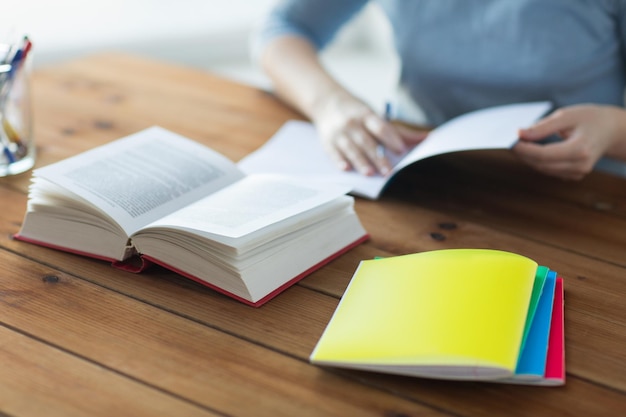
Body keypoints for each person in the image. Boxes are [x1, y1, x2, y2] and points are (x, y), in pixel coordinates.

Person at [251, 0, 626, 180]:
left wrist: (611, 130)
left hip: (580, 189)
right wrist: (330, 104)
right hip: (422, 169)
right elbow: (283, 28)